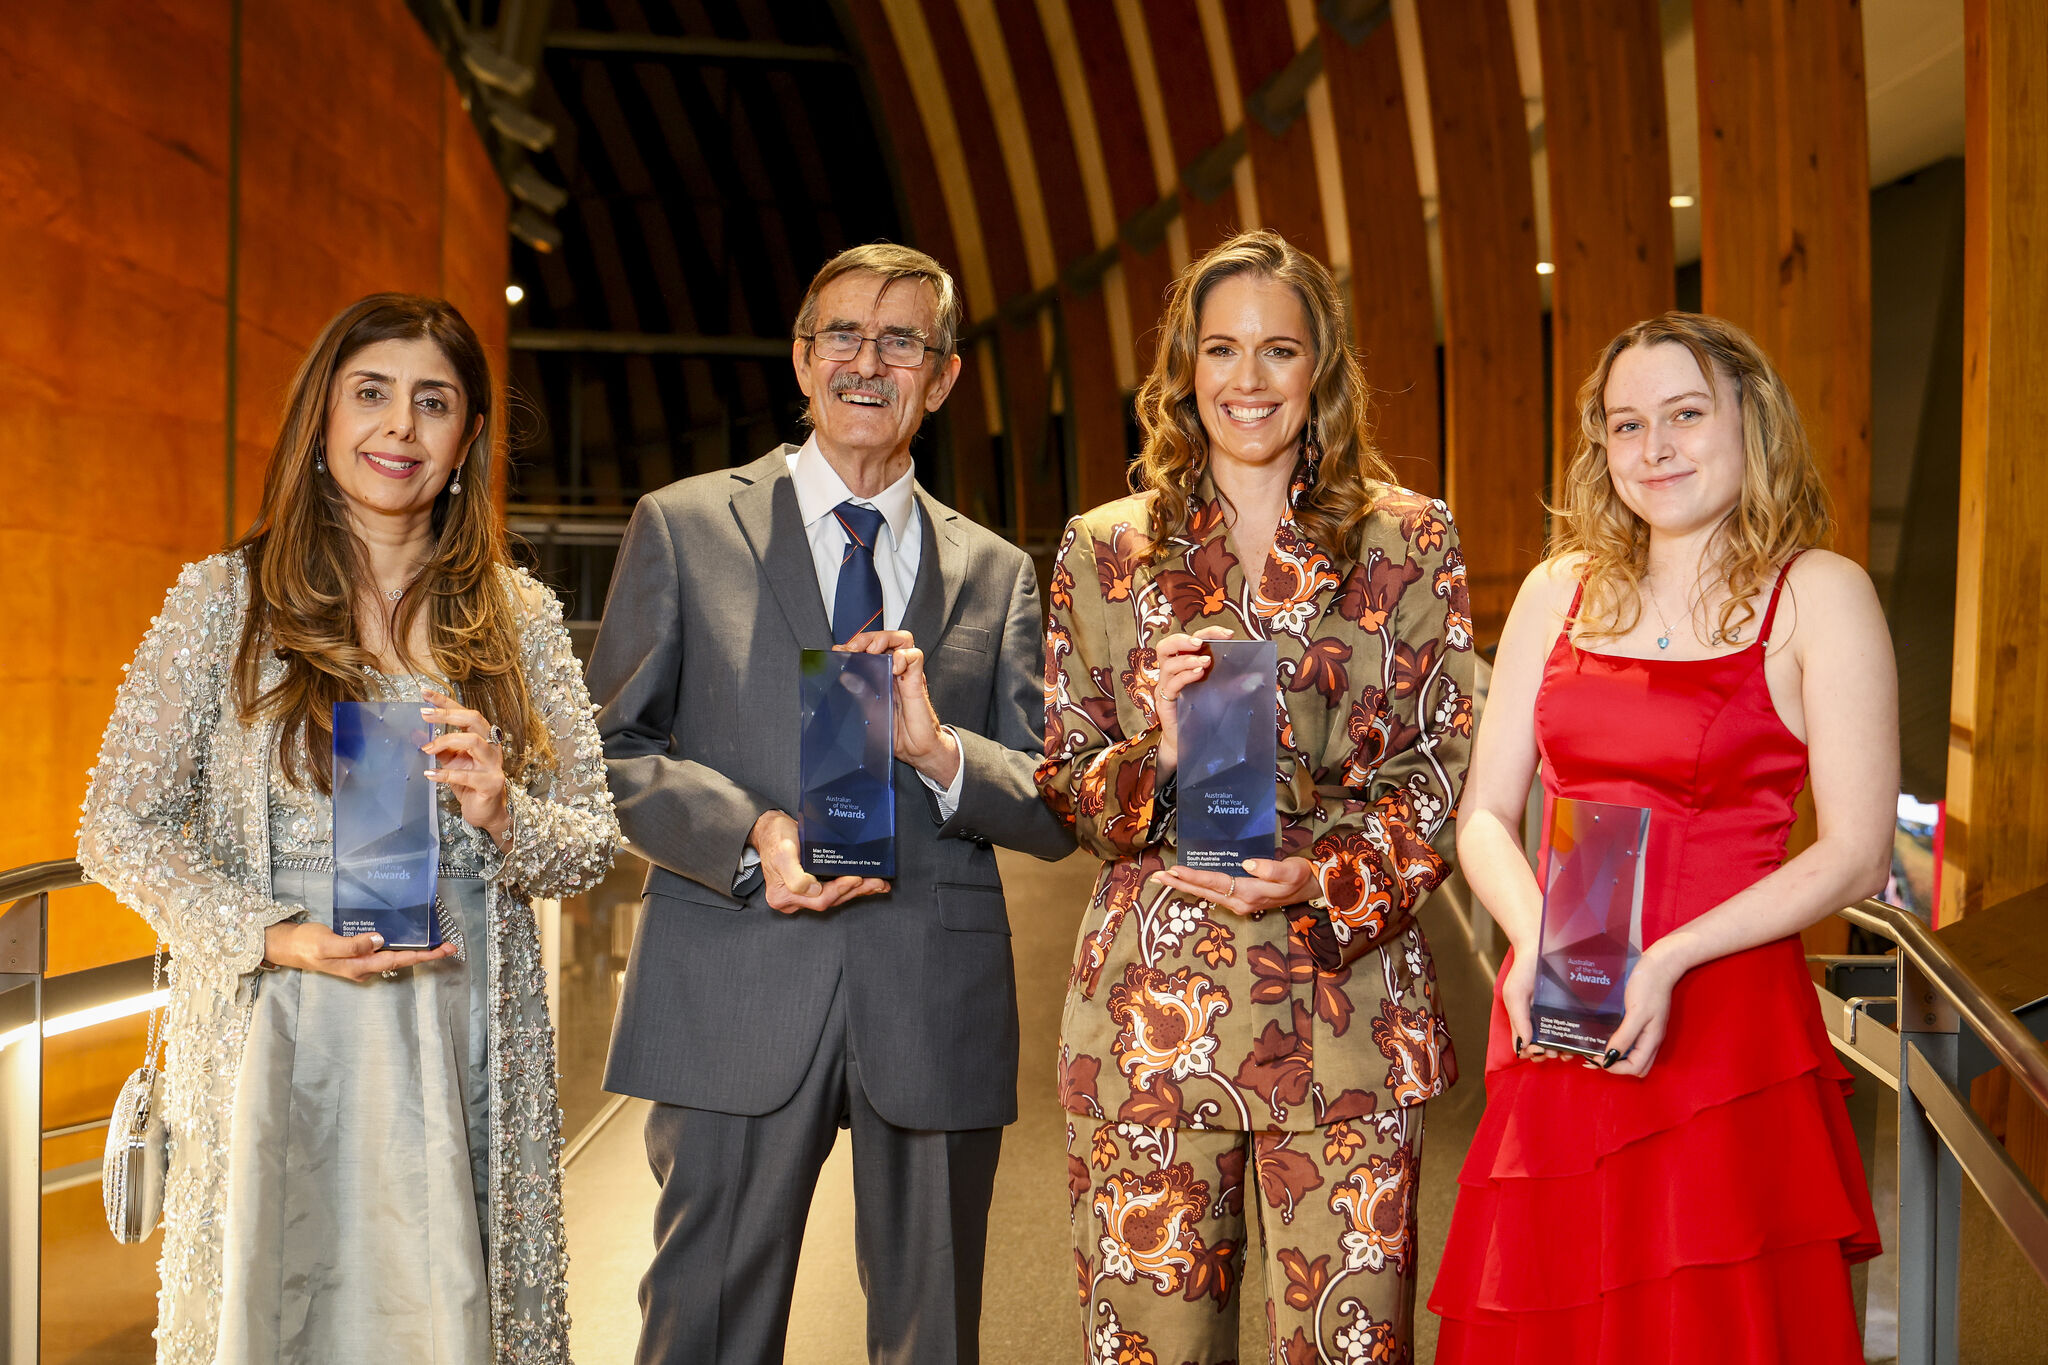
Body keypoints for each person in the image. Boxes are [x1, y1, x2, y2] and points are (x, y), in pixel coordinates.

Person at [77, 294, 619, 1364]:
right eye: (371, 394)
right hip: (280, 1031)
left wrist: (503, 807)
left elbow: (594, 841)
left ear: (466, 439)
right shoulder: (222, 605)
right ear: (321, 419)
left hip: (458, 1027)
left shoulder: (517, 622)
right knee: (281, 1312)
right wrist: (268, 933)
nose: (399, 429)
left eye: (433, 403)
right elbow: (116, 826)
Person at [588, 241, 1074, 1365]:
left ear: (940, 377)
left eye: (901, 339)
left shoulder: (996, 571)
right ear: (802, 361)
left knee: (932, 1339)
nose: (869, 359)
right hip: (732, 980)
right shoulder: (685, 525)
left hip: (930, 989)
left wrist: (939, 749)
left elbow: (1053, 802)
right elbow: (611, 750)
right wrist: (751, 834)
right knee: (701, 1327)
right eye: (843, 334)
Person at [1037, 230, 1474, 1364]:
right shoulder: (1103, 553)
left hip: (1344, 1006)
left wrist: (1323, 875)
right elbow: (1069, 779)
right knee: (1148, 1353)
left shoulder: (1407, 538)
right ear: (1184, 367)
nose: (1246, 380)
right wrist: (1158, 752)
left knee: (1345, 1352)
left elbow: (1438, 764)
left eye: (1276, 350)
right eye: (1220, 350)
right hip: (1150, 1015)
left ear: (1318, 367)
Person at [1430, 312, 1891, 1361]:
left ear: (1750, 420)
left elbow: (1856, 851)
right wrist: (1533, 938)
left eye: (1684, 415)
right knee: (1556, 1308)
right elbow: (1486, 818)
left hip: (1721, 1015)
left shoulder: (1818, 594)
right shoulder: (1559, 588)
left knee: (1709, 1316)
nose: (1653, 449)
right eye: (1625, 425)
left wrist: (1670, 957)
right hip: (1570, 992)